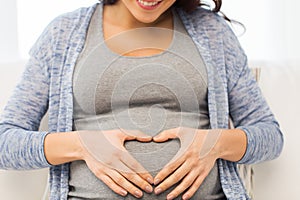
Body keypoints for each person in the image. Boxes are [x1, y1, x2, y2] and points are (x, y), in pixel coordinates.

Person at [0, 0, 284, 199]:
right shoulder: (63, 35)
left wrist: (214, 144)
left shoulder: (213, 34)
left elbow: (269, 136)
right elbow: (5, 142)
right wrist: (82, 145)